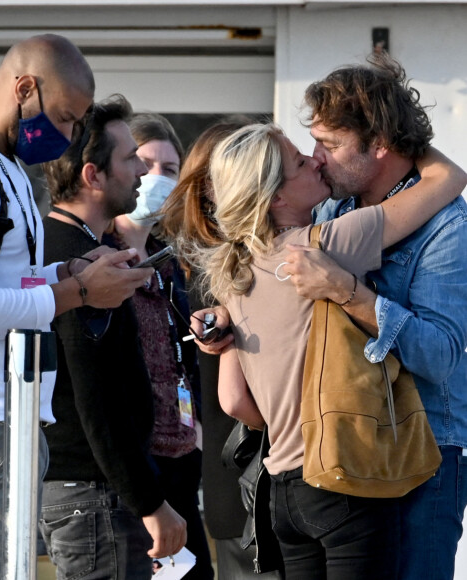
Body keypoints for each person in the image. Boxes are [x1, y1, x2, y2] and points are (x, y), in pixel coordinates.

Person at [0, 35, 153, 579]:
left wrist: (72, 273)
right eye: (64, 118)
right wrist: (80, 293)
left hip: (5, 417)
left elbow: (5, 282)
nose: (66, 138)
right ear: (23, 88)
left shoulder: (0, 164)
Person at [191, 122, 466, 579]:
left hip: (280, 491)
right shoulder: (327, 244)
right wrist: (399, 131)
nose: (316, 159)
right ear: (276, 197)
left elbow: (234, 402)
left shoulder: (234, 273)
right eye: (302, 161)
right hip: (340, 479)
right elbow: (448, 180)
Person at [278, 54, 467, 580]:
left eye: (331, 145)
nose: (316, 159)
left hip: (424, 456)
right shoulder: (333, 209)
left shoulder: (448, 227)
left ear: (380, 144)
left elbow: (440, 354)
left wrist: (347, 292)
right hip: (341, 445)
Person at [40, 94, 186, 579]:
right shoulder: (84, 264)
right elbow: (97, 398)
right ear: (92, 176)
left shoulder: (68, 251)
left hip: (86, 490)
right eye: (131, 159)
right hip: (92, 494)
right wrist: (149, 501)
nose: (145, 176)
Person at [161, 120, 281, 579]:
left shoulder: (210, 267)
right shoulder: (227, 273)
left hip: (237, 482)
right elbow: (232, 399)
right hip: (250, 482)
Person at [112, 113, 214, 579]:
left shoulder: (177, 266)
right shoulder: (94, 264)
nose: (155, 178)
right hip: (130, 483)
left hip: (180, 471)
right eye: (145, 162)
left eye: (169, 170)